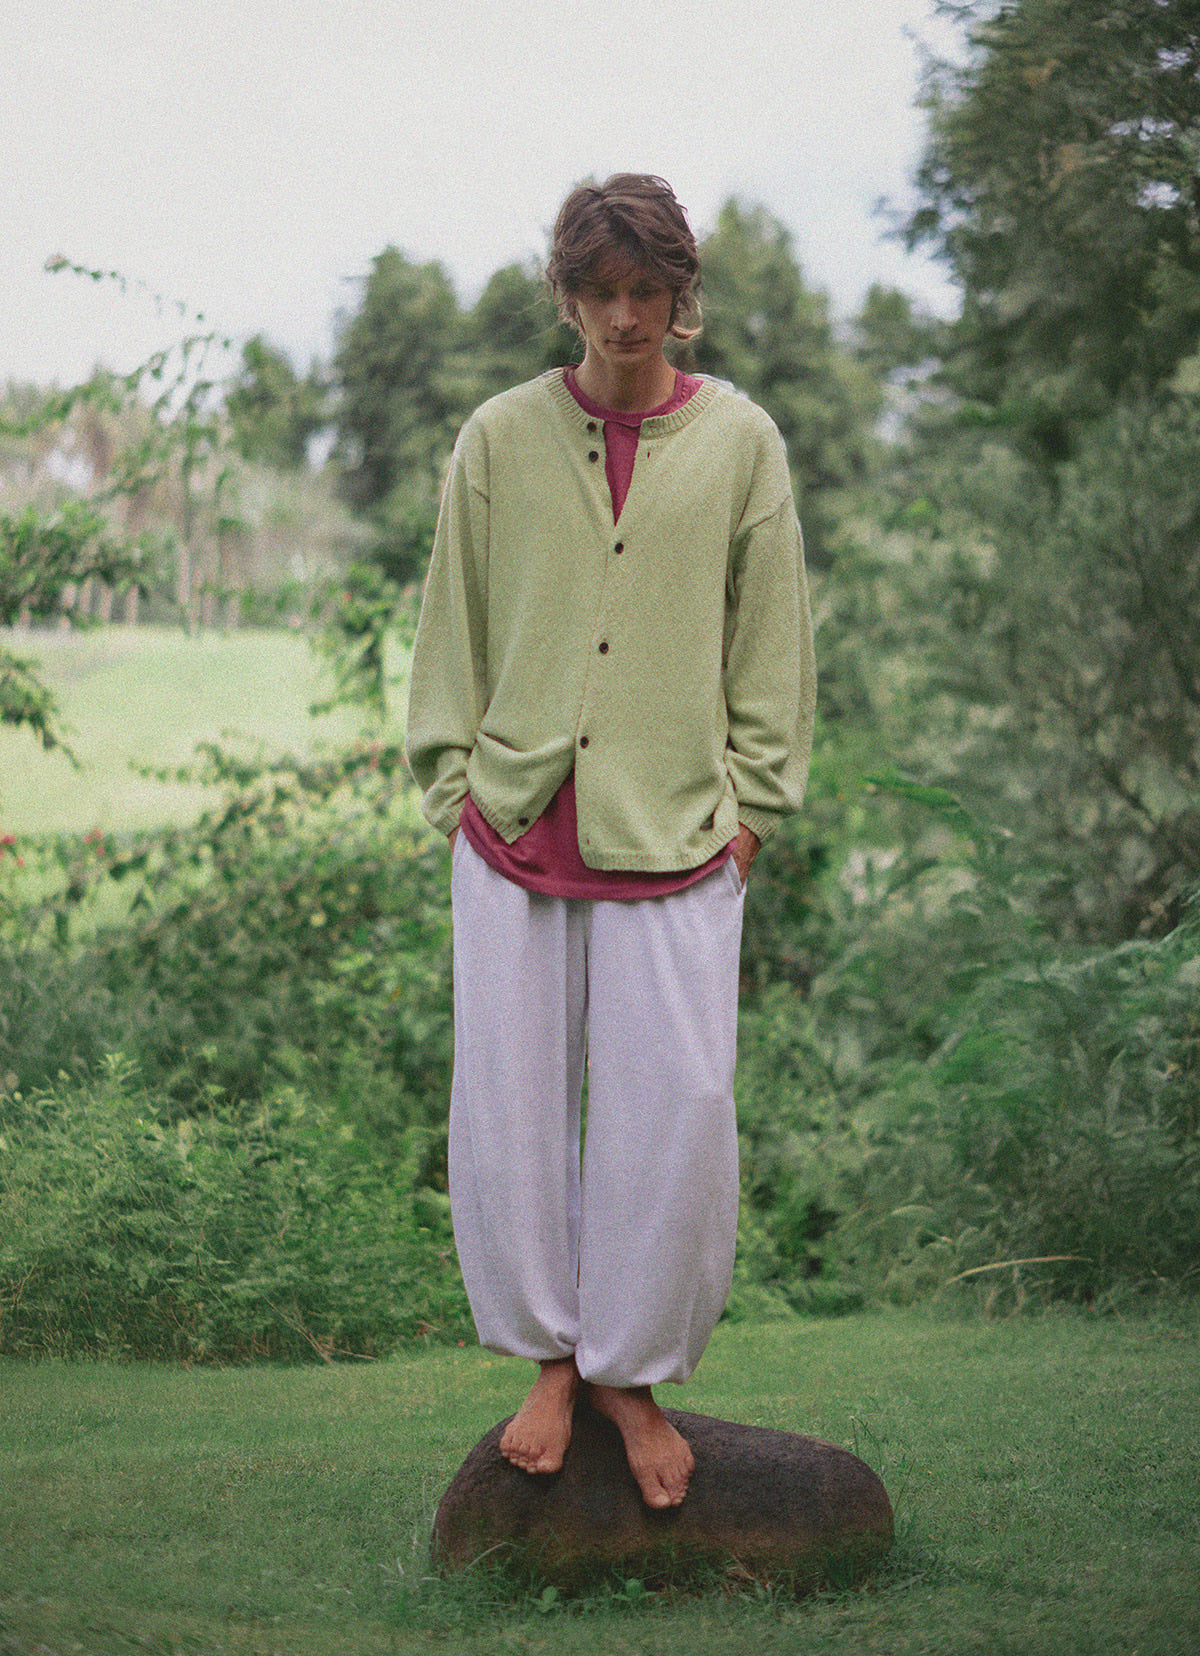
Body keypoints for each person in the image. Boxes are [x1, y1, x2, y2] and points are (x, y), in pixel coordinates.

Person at [405, 174, 815, 1510]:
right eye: (601, 292)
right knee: (511, 1113)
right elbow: (451, 625)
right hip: (516, 829)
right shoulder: (499, 439)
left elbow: (772, 638)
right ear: (567, 296)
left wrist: (752, 818)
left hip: (682, 835)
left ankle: (630, 1376)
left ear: (681, 294)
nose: (626, 317)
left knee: (676, 1118)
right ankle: (549, 1360)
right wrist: (454, 795)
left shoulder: (741, 442)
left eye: (648, 291)